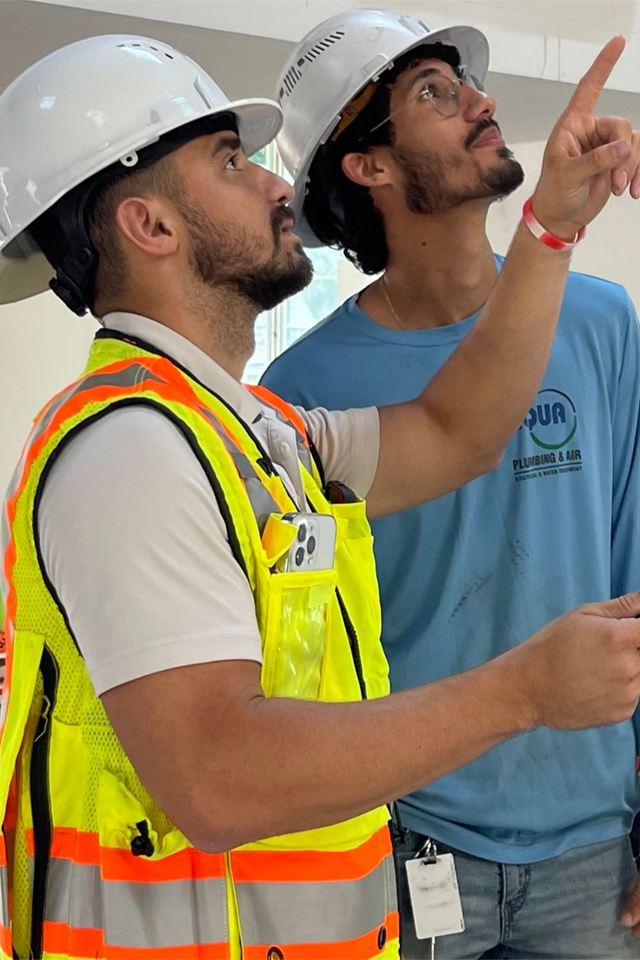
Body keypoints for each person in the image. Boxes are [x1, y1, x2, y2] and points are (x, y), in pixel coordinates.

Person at [0, 30, 639, 960]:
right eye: (229, 161)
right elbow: (217, 779)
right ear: (153, 226)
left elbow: (460, 429)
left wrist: (549, 228)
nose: (271, 185)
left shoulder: (257, 432)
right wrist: (524, 691)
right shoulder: (130, 451)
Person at [262, 8, 640, 959]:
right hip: (409, 839)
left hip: (599, 839)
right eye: (433, 92)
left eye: (466, 82)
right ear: (370, 166)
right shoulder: (302, 394)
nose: (480, 102)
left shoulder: (599, 324)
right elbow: (308, 656)